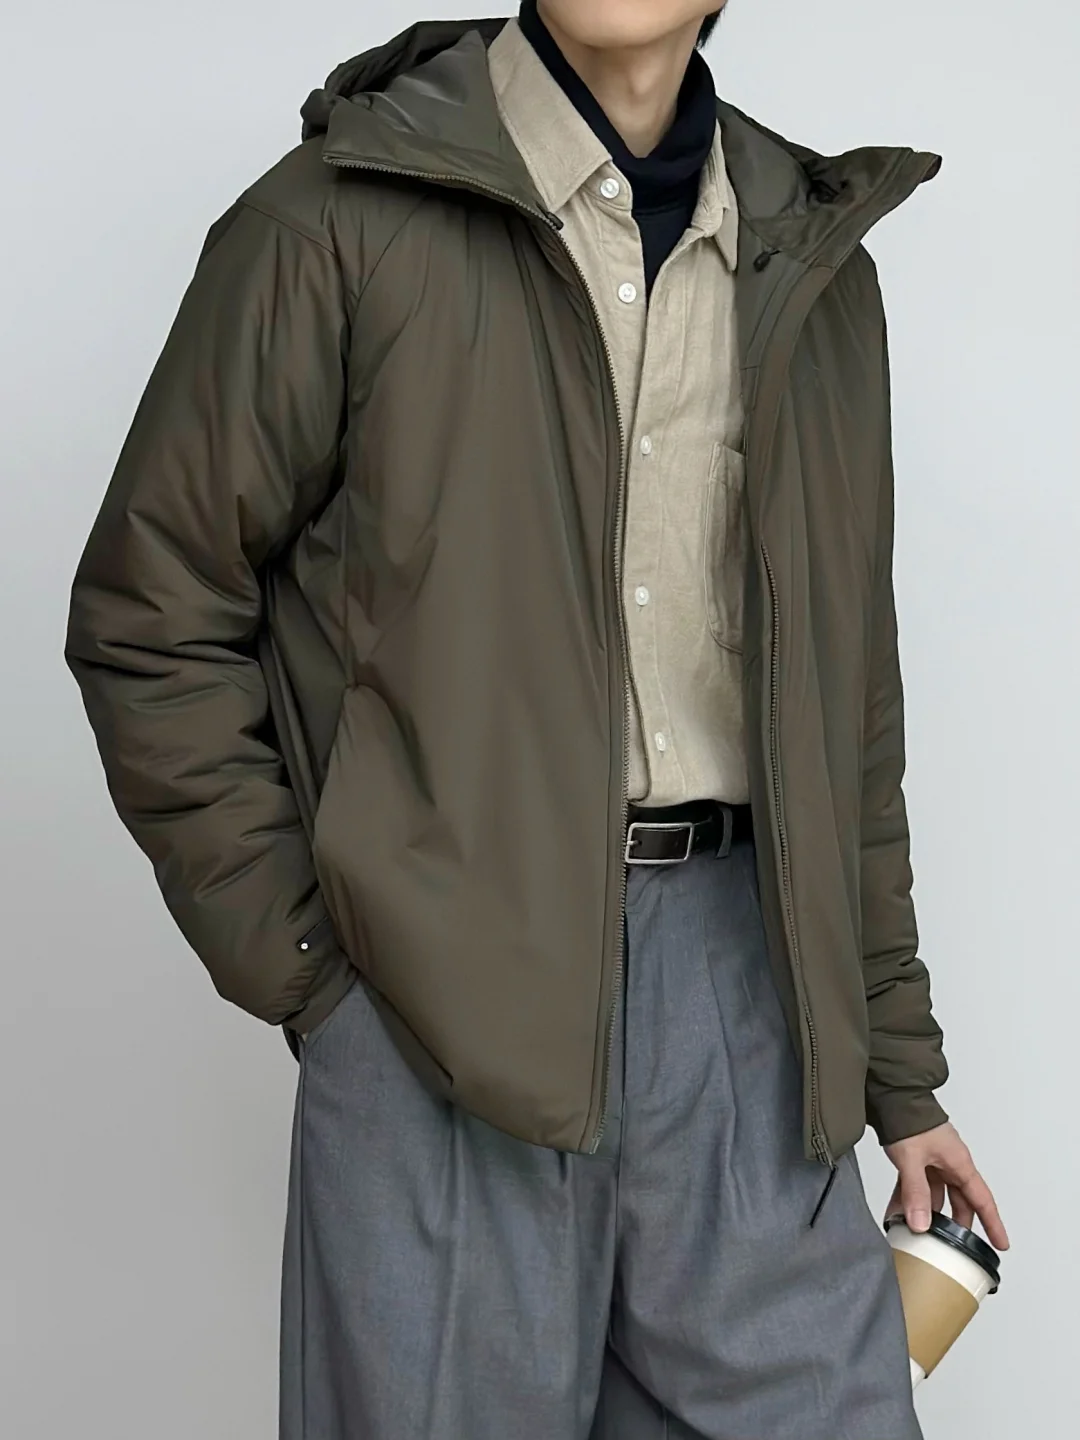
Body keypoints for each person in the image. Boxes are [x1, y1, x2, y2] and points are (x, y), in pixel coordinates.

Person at [65, 4, 1010, 1437]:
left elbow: (849, 713)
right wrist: (318, 976)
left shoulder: (811, 265)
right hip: (437, 1000)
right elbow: (154, 608)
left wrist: (898, 1072)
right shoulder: (335, 221)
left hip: (747, 996)